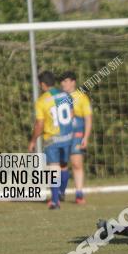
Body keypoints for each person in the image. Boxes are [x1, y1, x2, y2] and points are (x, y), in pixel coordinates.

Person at [28, 71, 74, 209]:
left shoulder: (42, 101)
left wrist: (33, 140)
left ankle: (55, 201)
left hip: (52, 138)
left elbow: (40, 124)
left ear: (42, 84)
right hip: (67, 136)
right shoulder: (66, 95)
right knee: (64, 165)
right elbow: (71, 114)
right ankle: (61, 192)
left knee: (53, 167)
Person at [60, 71, 93, 204]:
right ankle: (60, 192)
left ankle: (79, 193)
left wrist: (86, 136)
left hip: (77, 133)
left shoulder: (81, 97)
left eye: (66, 81)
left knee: (76, 163)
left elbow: (88, 118)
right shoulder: (59, 97)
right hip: (61, 134)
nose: (63, 84)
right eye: (62, 81)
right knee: (62, 164)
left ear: (73, 82)